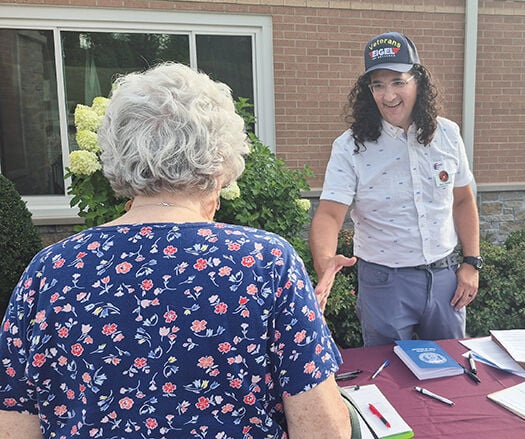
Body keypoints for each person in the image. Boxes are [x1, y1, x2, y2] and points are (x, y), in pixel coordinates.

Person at [0, 62, 351, 439]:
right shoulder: (266, 263)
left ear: (118, 157)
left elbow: (15, 426)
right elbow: (324, 431)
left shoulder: (50, 270)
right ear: (219, 169)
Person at [309, 32, 481, 346]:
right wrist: (325, 260)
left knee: (452, 373)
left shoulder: (448, 134)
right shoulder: (351, 147)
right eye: (378, 85)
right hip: (384, 283)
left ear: (419, 82)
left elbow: (462, 200)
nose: (388, 96)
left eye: (398, 82)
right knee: (386, 376)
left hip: (445, 277)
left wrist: (471, 262)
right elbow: (330, 215)